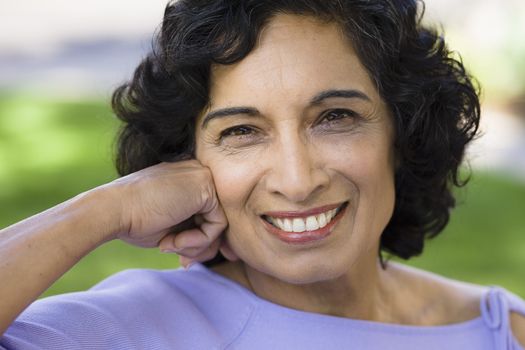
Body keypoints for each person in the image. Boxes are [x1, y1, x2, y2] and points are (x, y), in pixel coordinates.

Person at [1, 0, 524, 349]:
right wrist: (110, 208)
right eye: (241, 132)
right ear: (188, 161)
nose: (297, 181)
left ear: (403, 130)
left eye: (335, 118)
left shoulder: (501, 330)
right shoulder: (138, 330)